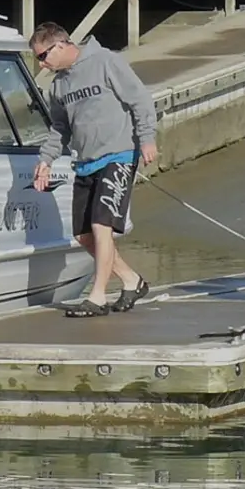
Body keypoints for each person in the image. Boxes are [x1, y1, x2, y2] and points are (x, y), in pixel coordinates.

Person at [30, 22, 158, 317]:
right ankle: (131, 280)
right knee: (84, 235)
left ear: (60, 45)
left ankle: (97, 297)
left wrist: (147, 138)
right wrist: (46, 160)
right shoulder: (59, 84)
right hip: (86, 161)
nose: (42, 64)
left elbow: (139, 99)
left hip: (119, 155)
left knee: (102, 226)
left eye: (43, 56)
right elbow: (59, 128)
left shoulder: (106, 61)